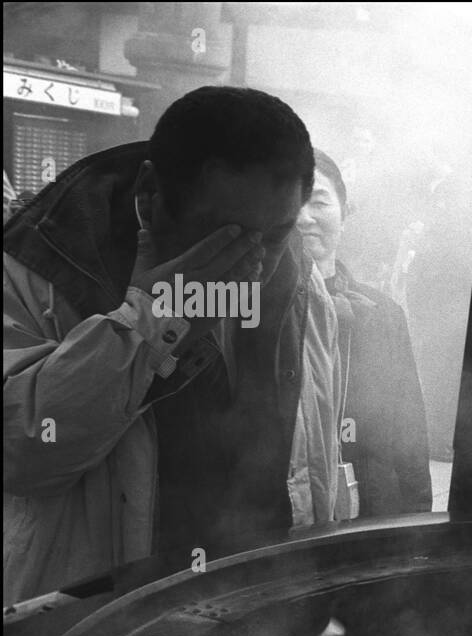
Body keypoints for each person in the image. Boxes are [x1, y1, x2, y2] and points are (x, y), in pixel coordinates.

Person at [4, 86, 341, 604]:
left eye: (275, 235)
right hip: (100, 619)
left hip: (260, 607)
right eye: (223, 233)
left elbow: (313, 456)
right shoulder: (41, 267)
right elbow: (23, 454)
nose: (251, 265)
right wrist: (147, 323)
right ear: (149, 194)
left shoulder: (299, 283)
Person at [298, 149, 432, 517]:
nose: (303, 217)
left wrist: (417, 525)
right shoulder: (253, 315)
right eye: (289, 203)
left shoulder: (382, 314)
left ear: (346, 211)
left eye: (318, 201)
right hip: (287, 524)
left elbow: (410, 432)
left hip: (376, 514)